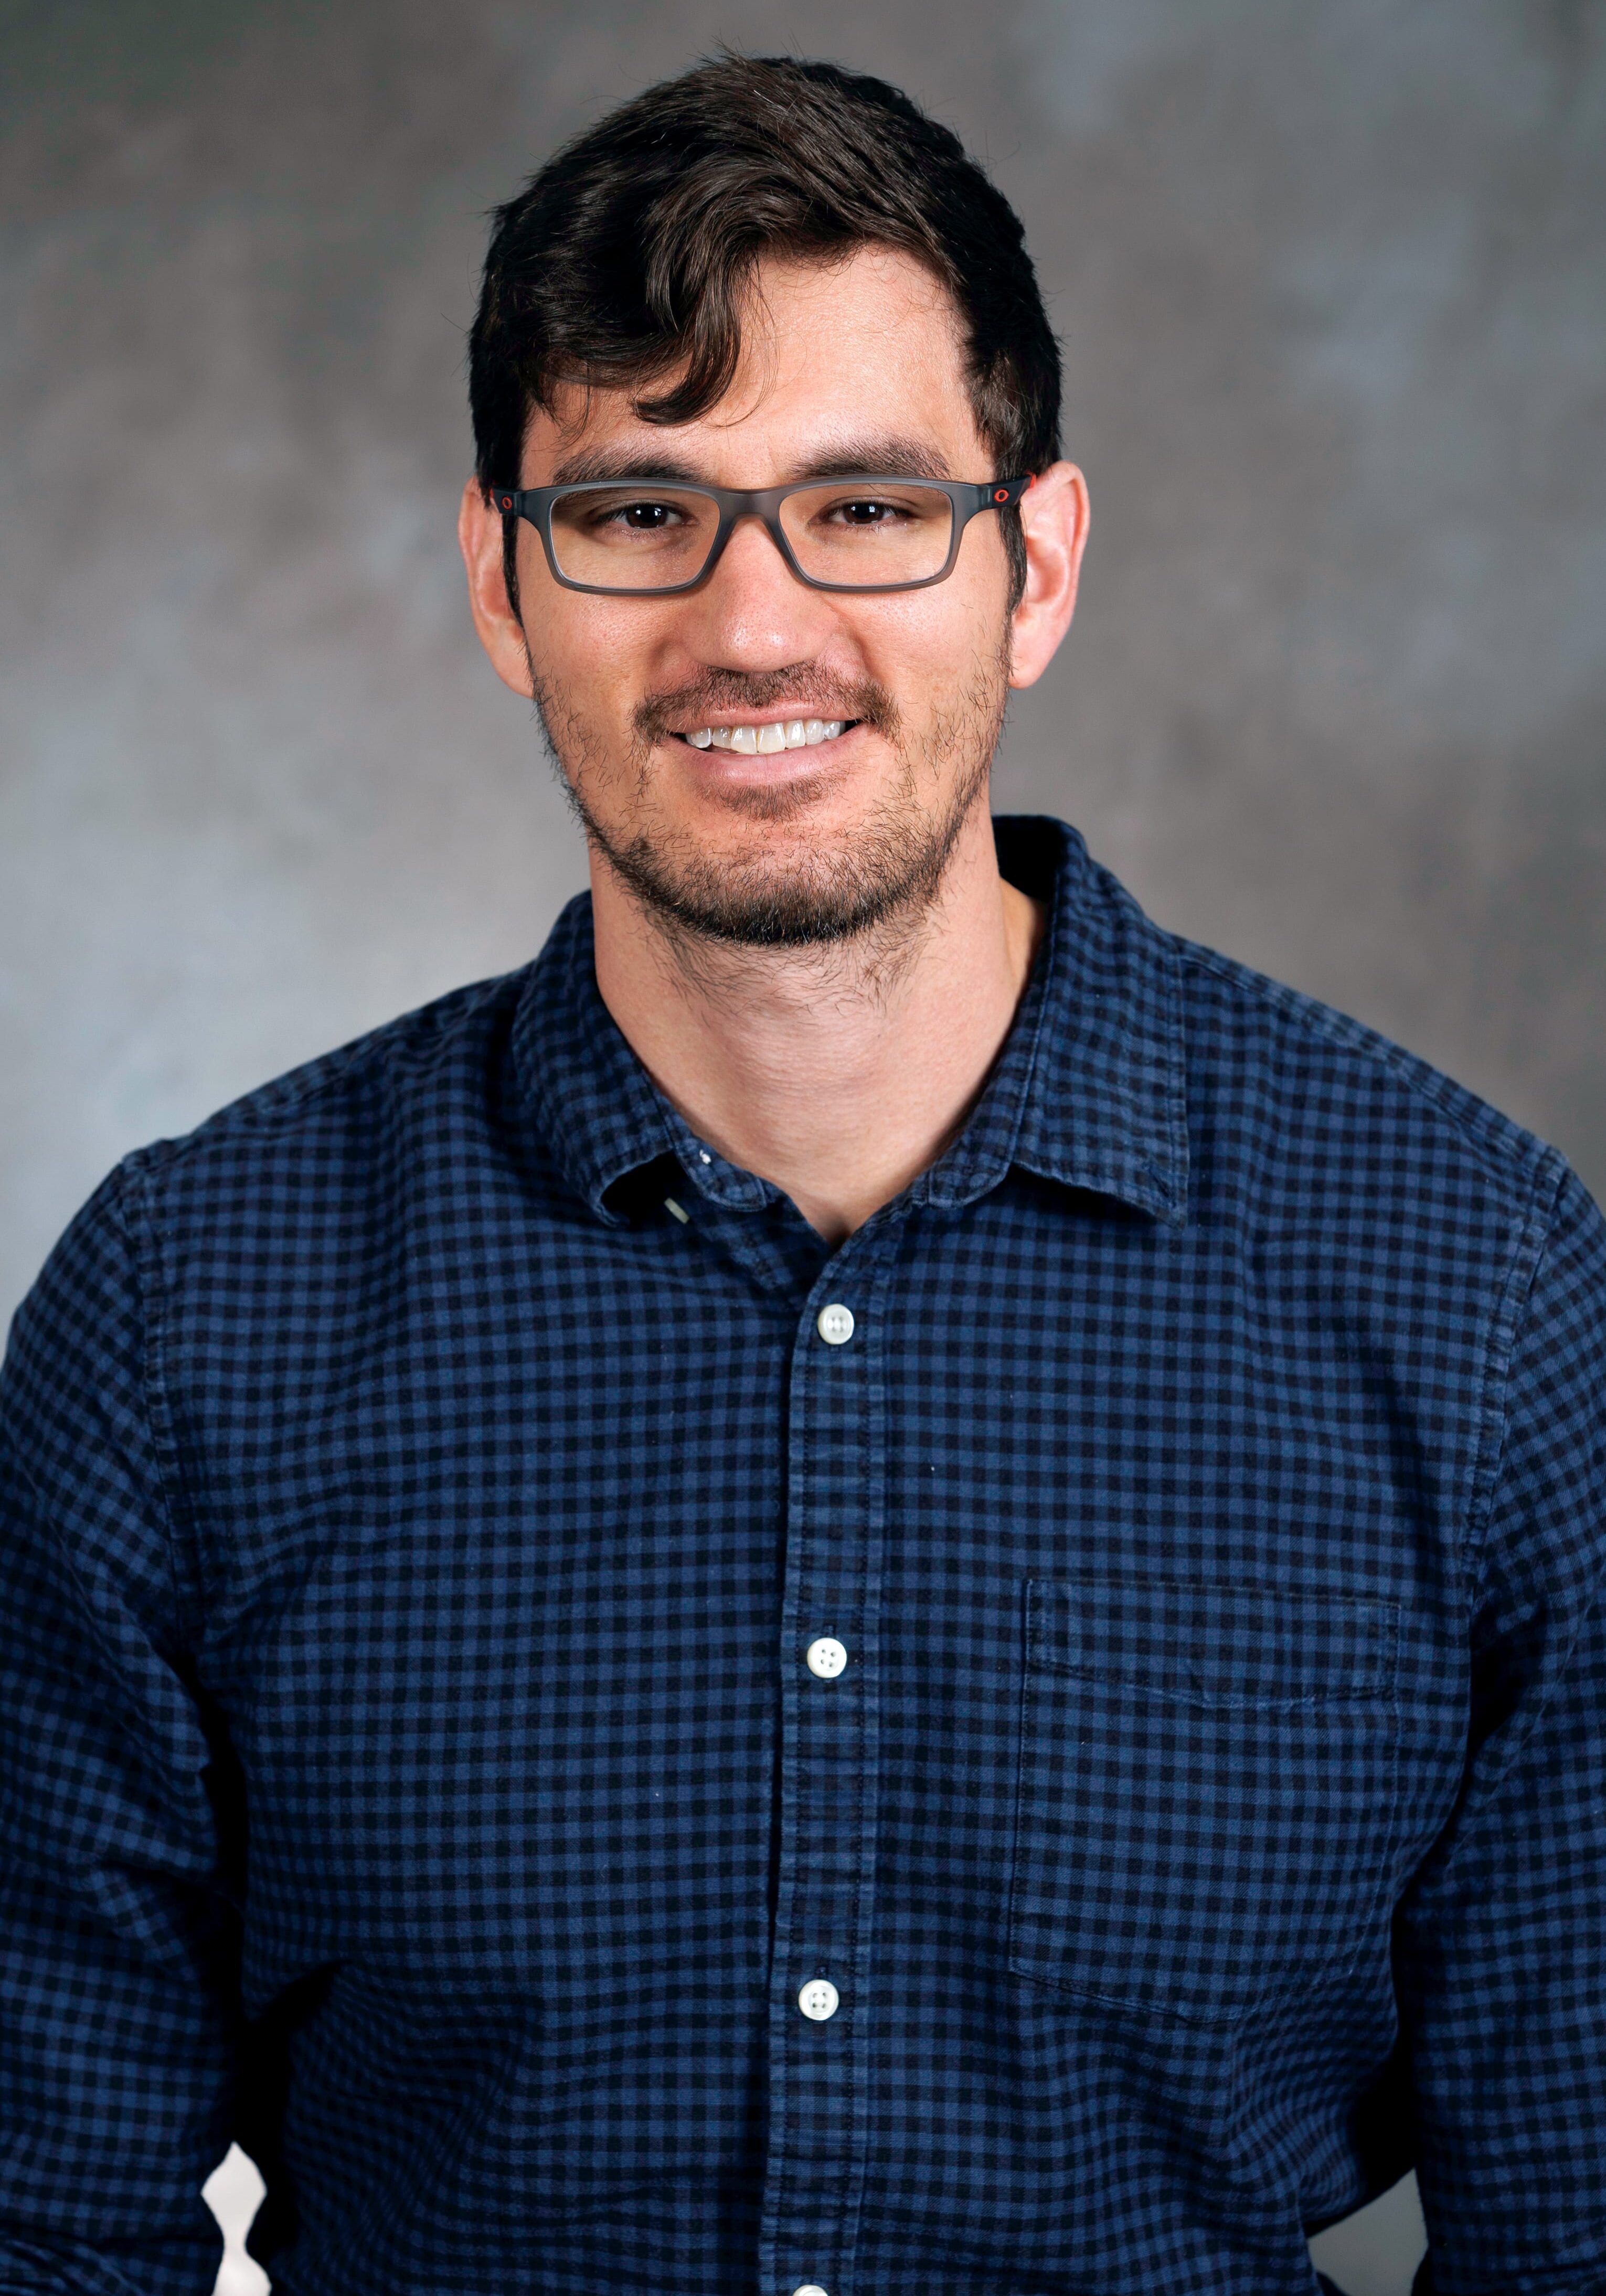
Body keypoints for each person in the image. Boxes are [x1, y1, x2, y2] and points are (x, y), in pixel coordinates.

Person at [1, 51, 1602, 2296]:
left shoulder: (1479, 1297)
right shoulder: (189, 1318)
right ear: (501, 580)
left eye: (865, 506)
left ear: (1036, 565)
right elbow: (43, 2231)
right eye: (637, 511)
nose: (753, 626)